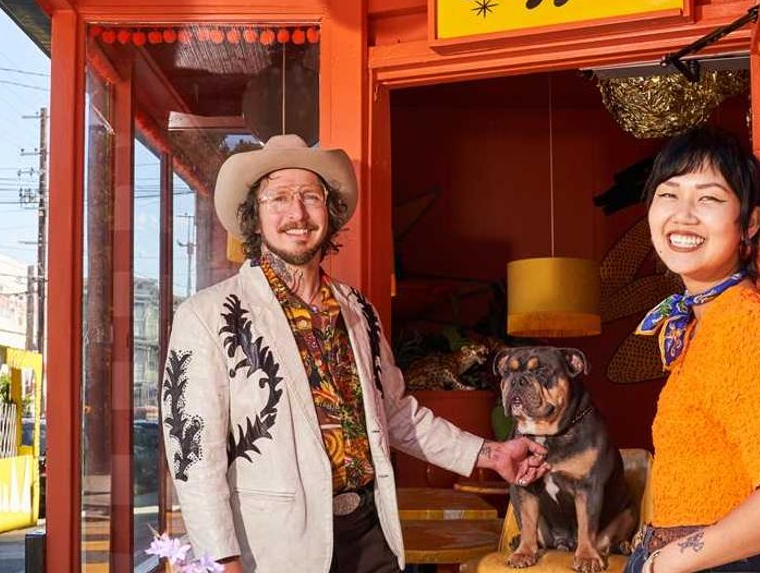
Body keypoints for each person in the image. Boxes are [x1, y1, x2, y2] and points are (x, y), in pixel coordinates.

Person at [160, 134, 549, 573]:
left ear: (331, 212)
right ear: (254, 217)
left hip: (369, 534)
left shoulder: (359, 309)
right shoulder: (206, 315)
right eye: (279, 198)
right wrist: (221, 561)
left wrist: (491, 454)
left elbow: (397, 413)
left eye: (311, 196)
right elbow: (194, 455)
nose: (297, 213)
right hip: (274, 547)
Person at [626, 128, 760, 573]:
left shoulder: (744, 328)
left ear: (751, 222)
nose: (682, 216)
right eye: (669, 195)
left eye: (709, 199)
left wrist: (664, 564)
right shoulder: (706, 321)